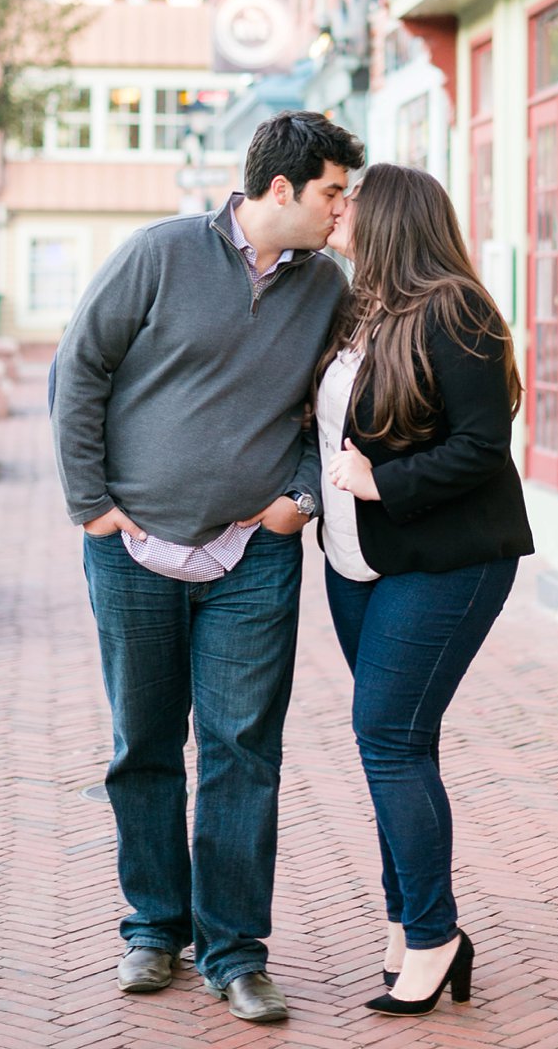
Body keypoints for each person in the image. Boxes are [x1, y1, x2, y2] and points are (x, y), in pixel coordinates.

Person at [52, 111, 364, 1023]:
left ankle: (235, 952)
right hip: (133, 547)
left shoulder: (327, 288)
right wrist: (92, 508)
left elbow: (331, 413)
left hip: (250, 553)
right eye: (333, 194)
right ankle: (154, 930)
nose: (341, 214)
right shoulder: (159, 254)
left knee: (241, 750)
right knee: (144, 742)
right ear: (281, 190)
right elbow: (80, 373)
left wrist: (296, 502)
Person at [312, 163, 536, 1016]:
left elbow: (483, 444)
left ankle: (436, 933)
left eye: (350, 203)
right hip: (354, 565)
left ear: (390, 218)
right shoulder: (353, 310)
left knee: (385, 736)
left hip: (448, 559)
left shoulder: (456, 309)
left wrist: (384, 485)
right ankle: (410, 924)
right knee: (401, 743)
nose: (337, 213)